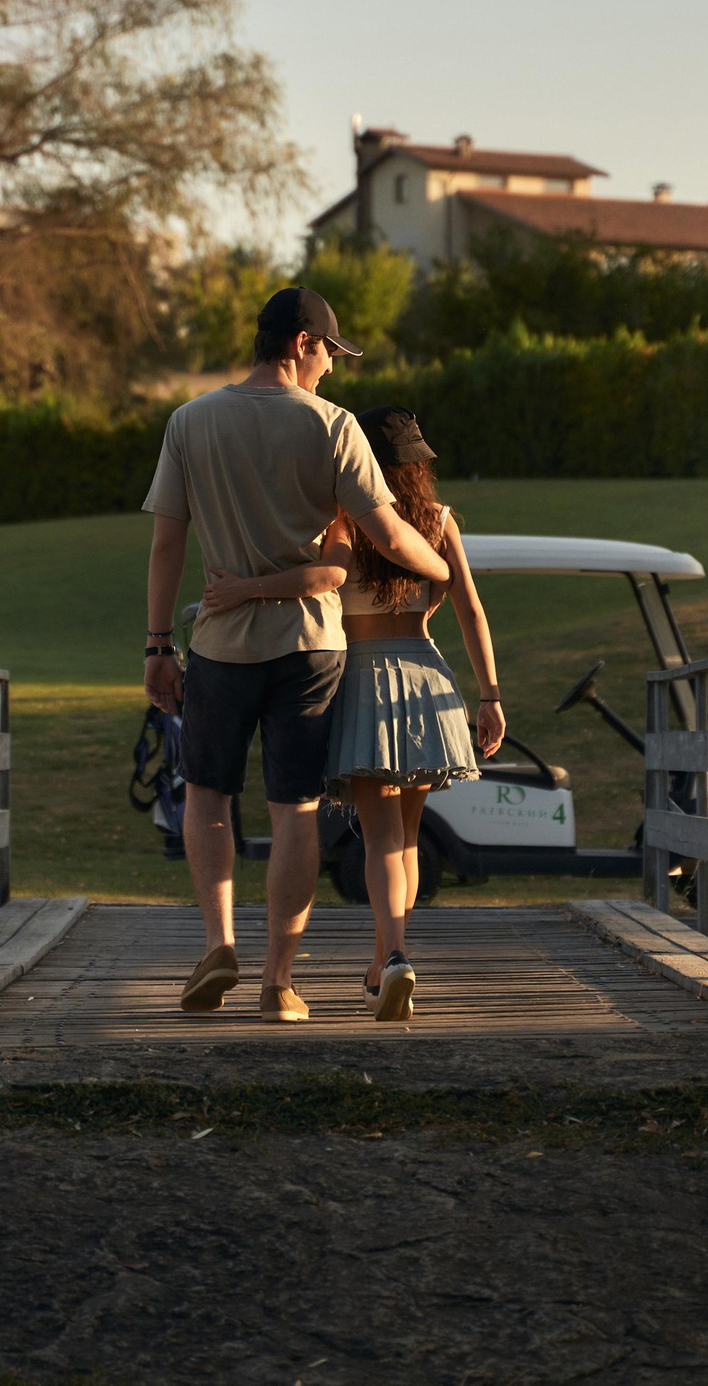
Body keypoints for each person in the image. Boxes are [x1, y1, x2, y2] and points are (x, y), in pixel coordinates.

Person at [141, 289, 452, 1023]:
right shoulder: (333, 425)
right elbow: (385, 531)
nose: (332, 372)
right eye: (329, 356)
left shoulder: (190, 421)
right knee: (295, 810)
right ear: (303, 343)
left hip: (220, 645)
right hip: (311, 646)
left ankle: (219, 941)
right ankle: (278, 981)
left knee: (209, 794)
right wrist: (437, 565)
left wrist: (158, 645)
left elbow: (167, 543)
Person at [206, 405, 500, 1022]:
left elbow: (323, 577)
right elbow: (469, 610)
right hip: (426, 676)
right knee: (409, 838)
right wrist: (491, 695)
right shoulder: (439, 522)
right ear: (418, 467)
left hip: (365, 681)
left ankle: (392, 958)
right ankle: (384, 962)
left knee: (381, 835)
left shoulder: (346, 518)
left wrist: (242, 590)